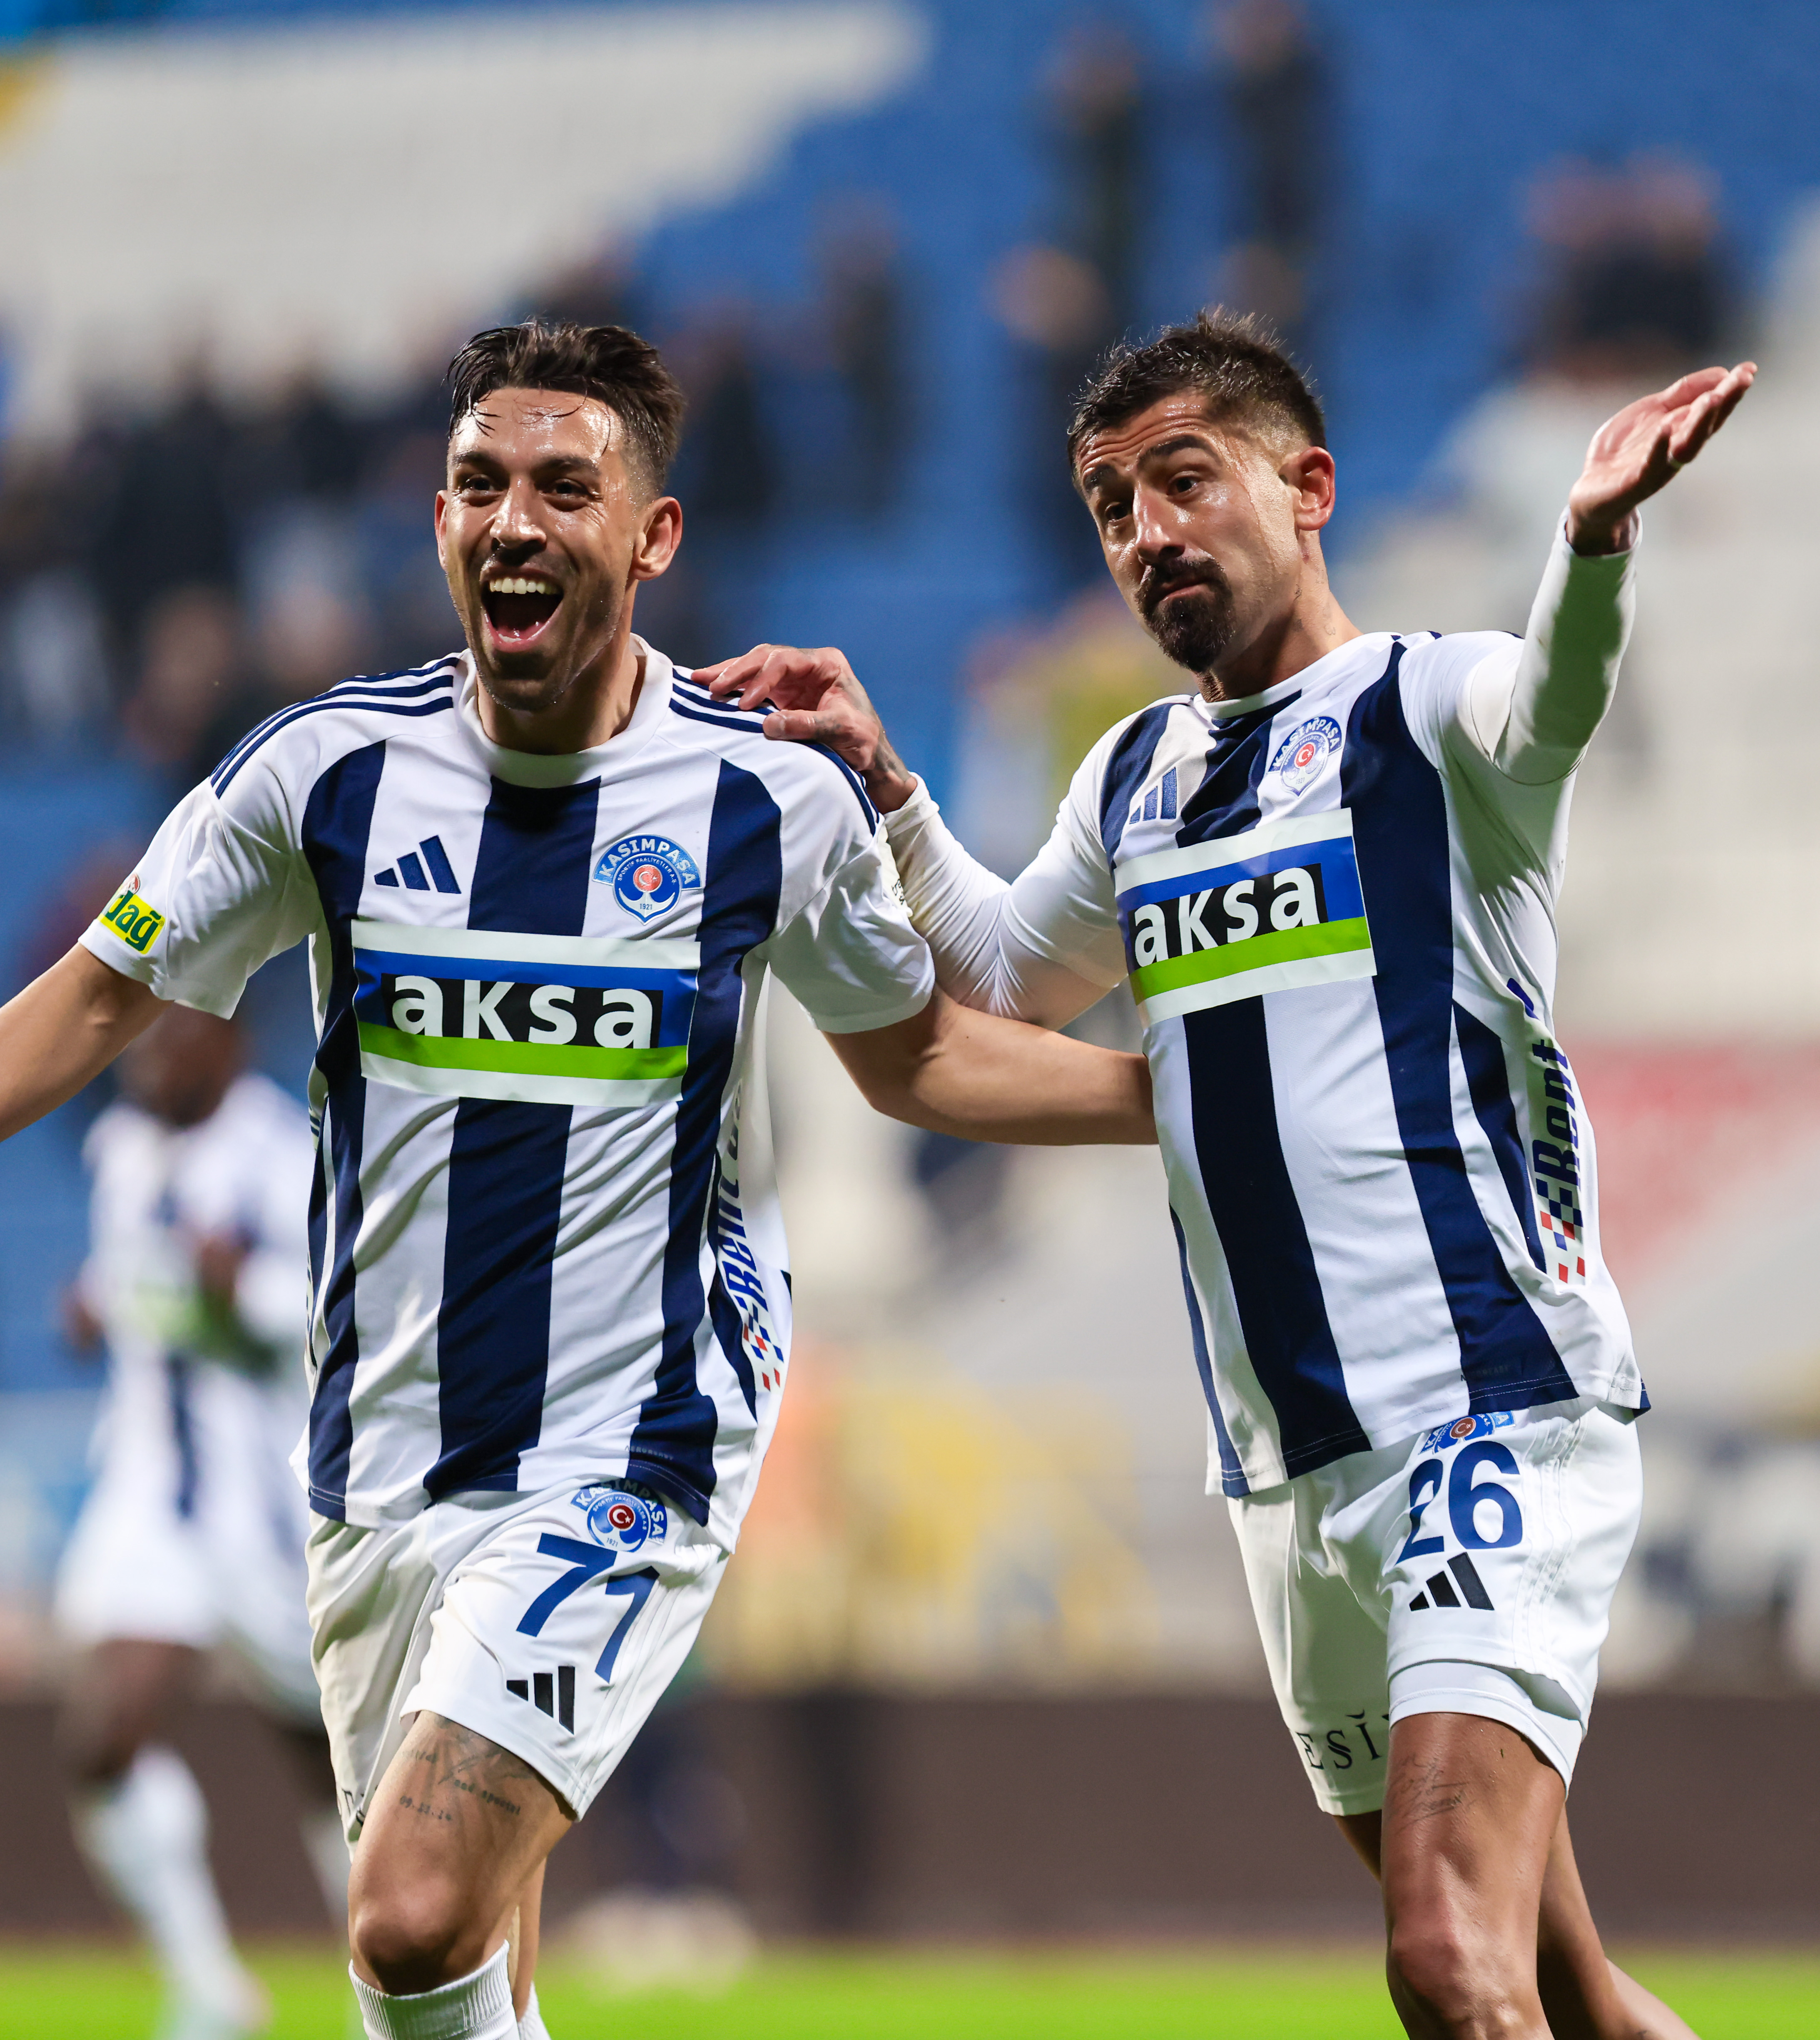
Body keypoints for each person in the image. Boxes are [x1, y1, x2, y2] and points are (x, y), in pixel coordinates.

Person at [0, 319, 1154, 2040]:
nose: (514, 520)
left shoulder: (763, 796)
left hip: (633, 1438)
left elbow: (917, 1055)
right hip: (381, 1457)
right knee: (445, 1988)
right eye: (478, 484)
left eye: (563, 484)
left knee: (406, 1913)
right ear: (439, 524)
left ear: (652, 534)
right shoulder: (322, 776)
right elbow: (94, 1000)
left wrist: (1195, 1101)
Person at [697, 310, 1753, 2040]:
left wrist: (1588, 543)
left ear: (1307, 486)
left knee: (1445, 1958)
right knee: (1556, 1985)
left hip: (1487, 1417)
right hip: (1288, 1475)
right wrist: (885, 782)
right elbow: (1000, 977)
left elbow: (1549, 704)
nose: (1147, 533)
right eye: (1114, 506)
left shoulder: (1422, 706)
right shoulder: (1136, 778)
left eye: (1185, 481)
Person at [57, 1000, 340, 2040]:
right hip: (149, 1497)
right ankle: (208, 1987)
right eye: (138, 1042)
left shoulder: (286, 1153)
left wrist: (241, 1296)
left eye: (170, 1038)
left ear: (227, 1040)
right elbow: (135, 1274)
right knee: (106, 1735)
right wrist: (93, 1303)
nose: (146, 1061)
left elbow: (332, 1317)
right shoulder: (122, 1147)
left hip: (264, 1504)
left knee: (333, 1764)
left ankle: (394, 1982)